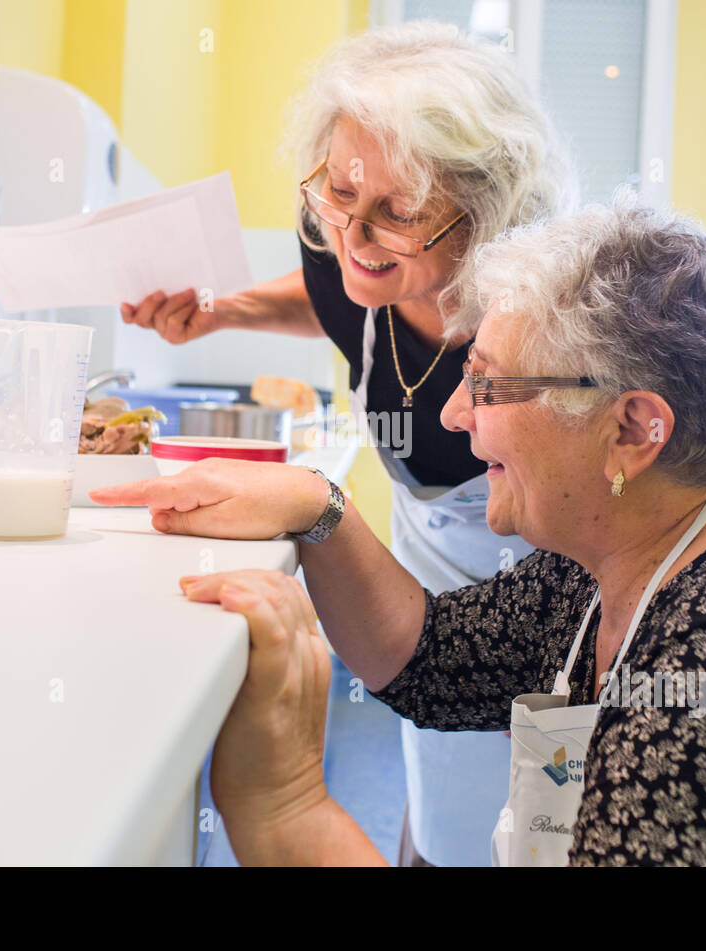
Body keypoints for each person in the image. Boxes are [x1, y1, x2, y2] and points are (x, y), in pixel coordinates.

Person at [94, 200, 706, 865]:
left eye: (490, 387)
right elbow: (431, 658)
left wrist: (285, 807)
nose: (453, 413)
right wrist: (315, 506)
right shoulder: (638, 548)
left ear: (632, 428)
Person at [118, 21, 571, 866]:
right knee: (437, 806)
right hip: (422, 586)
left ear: (483, 213)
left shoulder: (543, 333)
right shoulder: (344, 245)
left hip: (544, 609)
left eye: (398, 214)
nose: (353, 238)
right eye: (337, 193)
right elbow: (335, 290)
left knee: (530, 836)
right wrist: (231, 308)